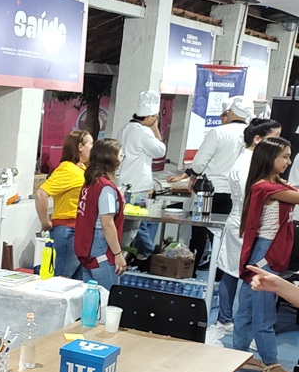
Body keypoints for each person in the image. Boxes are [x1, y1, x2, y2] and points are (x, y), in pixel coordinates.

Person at [233, 136, 299, 372]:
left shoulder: (275, 185)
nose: (288, 162)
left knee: (248, 306)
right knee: (263, 311)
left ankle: (238, 355)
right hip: (265, 253)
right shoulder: (264, 187)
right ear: (269, 158)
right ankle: (271, 363)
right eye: (285, 156)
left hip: (263, 251)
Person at [211, 119, 282, 336]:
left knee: (236, 271)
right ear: (257, 139)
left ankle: (235, 322)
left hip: (250, 224)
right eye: (274, 138)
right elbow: (252, 198)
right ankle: (229, 321)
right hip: (244, 224)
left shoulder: (256, 161)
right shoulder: (246, 164)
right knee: (236, 272)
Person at [170, 96, 252, 268]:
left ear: (231, 112)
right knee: (225, 234)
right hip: (237, 193)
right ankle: (220, 271)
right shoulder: (252, 135)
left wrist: (193, 175)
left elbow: (199, 163)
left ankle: (191, 268)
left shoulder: (218, 132)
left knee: (199, 231)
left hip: (209, 192)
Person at [35, 130, 93, 278]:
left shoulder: (81, 168)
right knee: (61, 279)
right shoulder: (67, 169)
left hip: (78, 230)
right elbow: (41, 194)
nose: (93, 148)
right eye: (91, 144)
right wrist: (45, 222)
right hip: (67, 230)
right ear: (80, 146)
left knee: (76, 280)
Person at [117, 90, 166, 261]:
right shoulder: (143, 132)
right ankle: (146, 254)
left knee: (129, 225)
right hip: (138, 188)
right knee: (138, 224)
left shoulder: (125, 129)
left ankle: (130, 255)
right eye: (155, 117)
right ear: (150, 117)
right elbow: (161, 150)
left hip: (124, 184)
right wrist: (155, 129)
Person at [75, 138, 126, 290]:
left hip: (87, 244)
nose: (121, 160)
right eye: (120, 156)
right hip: (100, 245)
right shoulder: (106, 187)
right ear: (111, 159)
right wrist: (118, 254)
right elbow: (107, 224)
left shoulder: (90, 182)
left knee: (90, 295)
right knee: (107, 294)